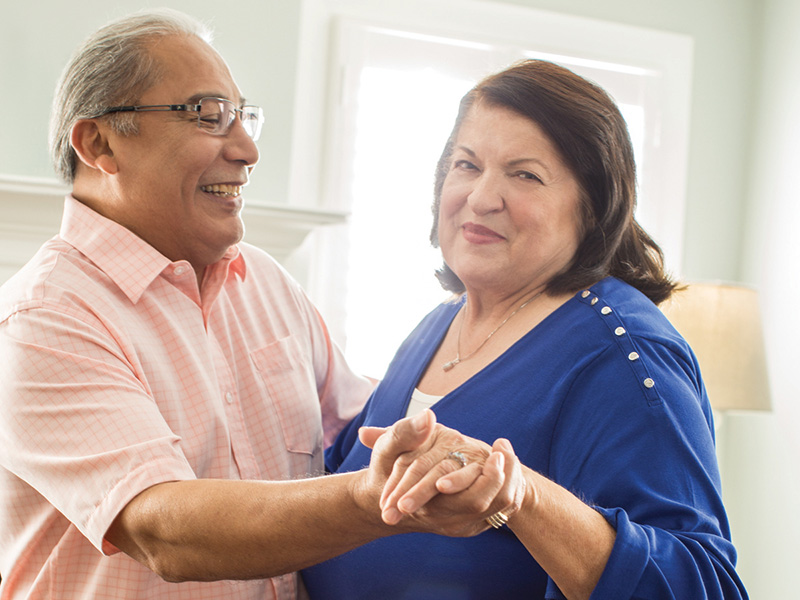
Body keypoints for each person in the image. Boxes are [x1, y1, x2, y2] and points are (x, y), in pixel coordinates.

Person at [0, 9, 517, 599]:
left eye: (244, 117)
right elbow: (164, 531)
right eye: (207, 116)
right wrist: (378, 499)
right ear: (100, 143)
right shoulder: (40, 319)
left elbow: (367, 428)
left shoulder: (266, 283)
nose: (247, 149)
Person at [302, 60, 749, 599]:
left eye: (525, 174)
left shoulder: (626, 354)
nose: (483, 197)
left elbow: (702, 585)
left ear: (592, 207)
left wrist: (519, 496)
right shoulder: (436, 325)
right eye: (467, 165)